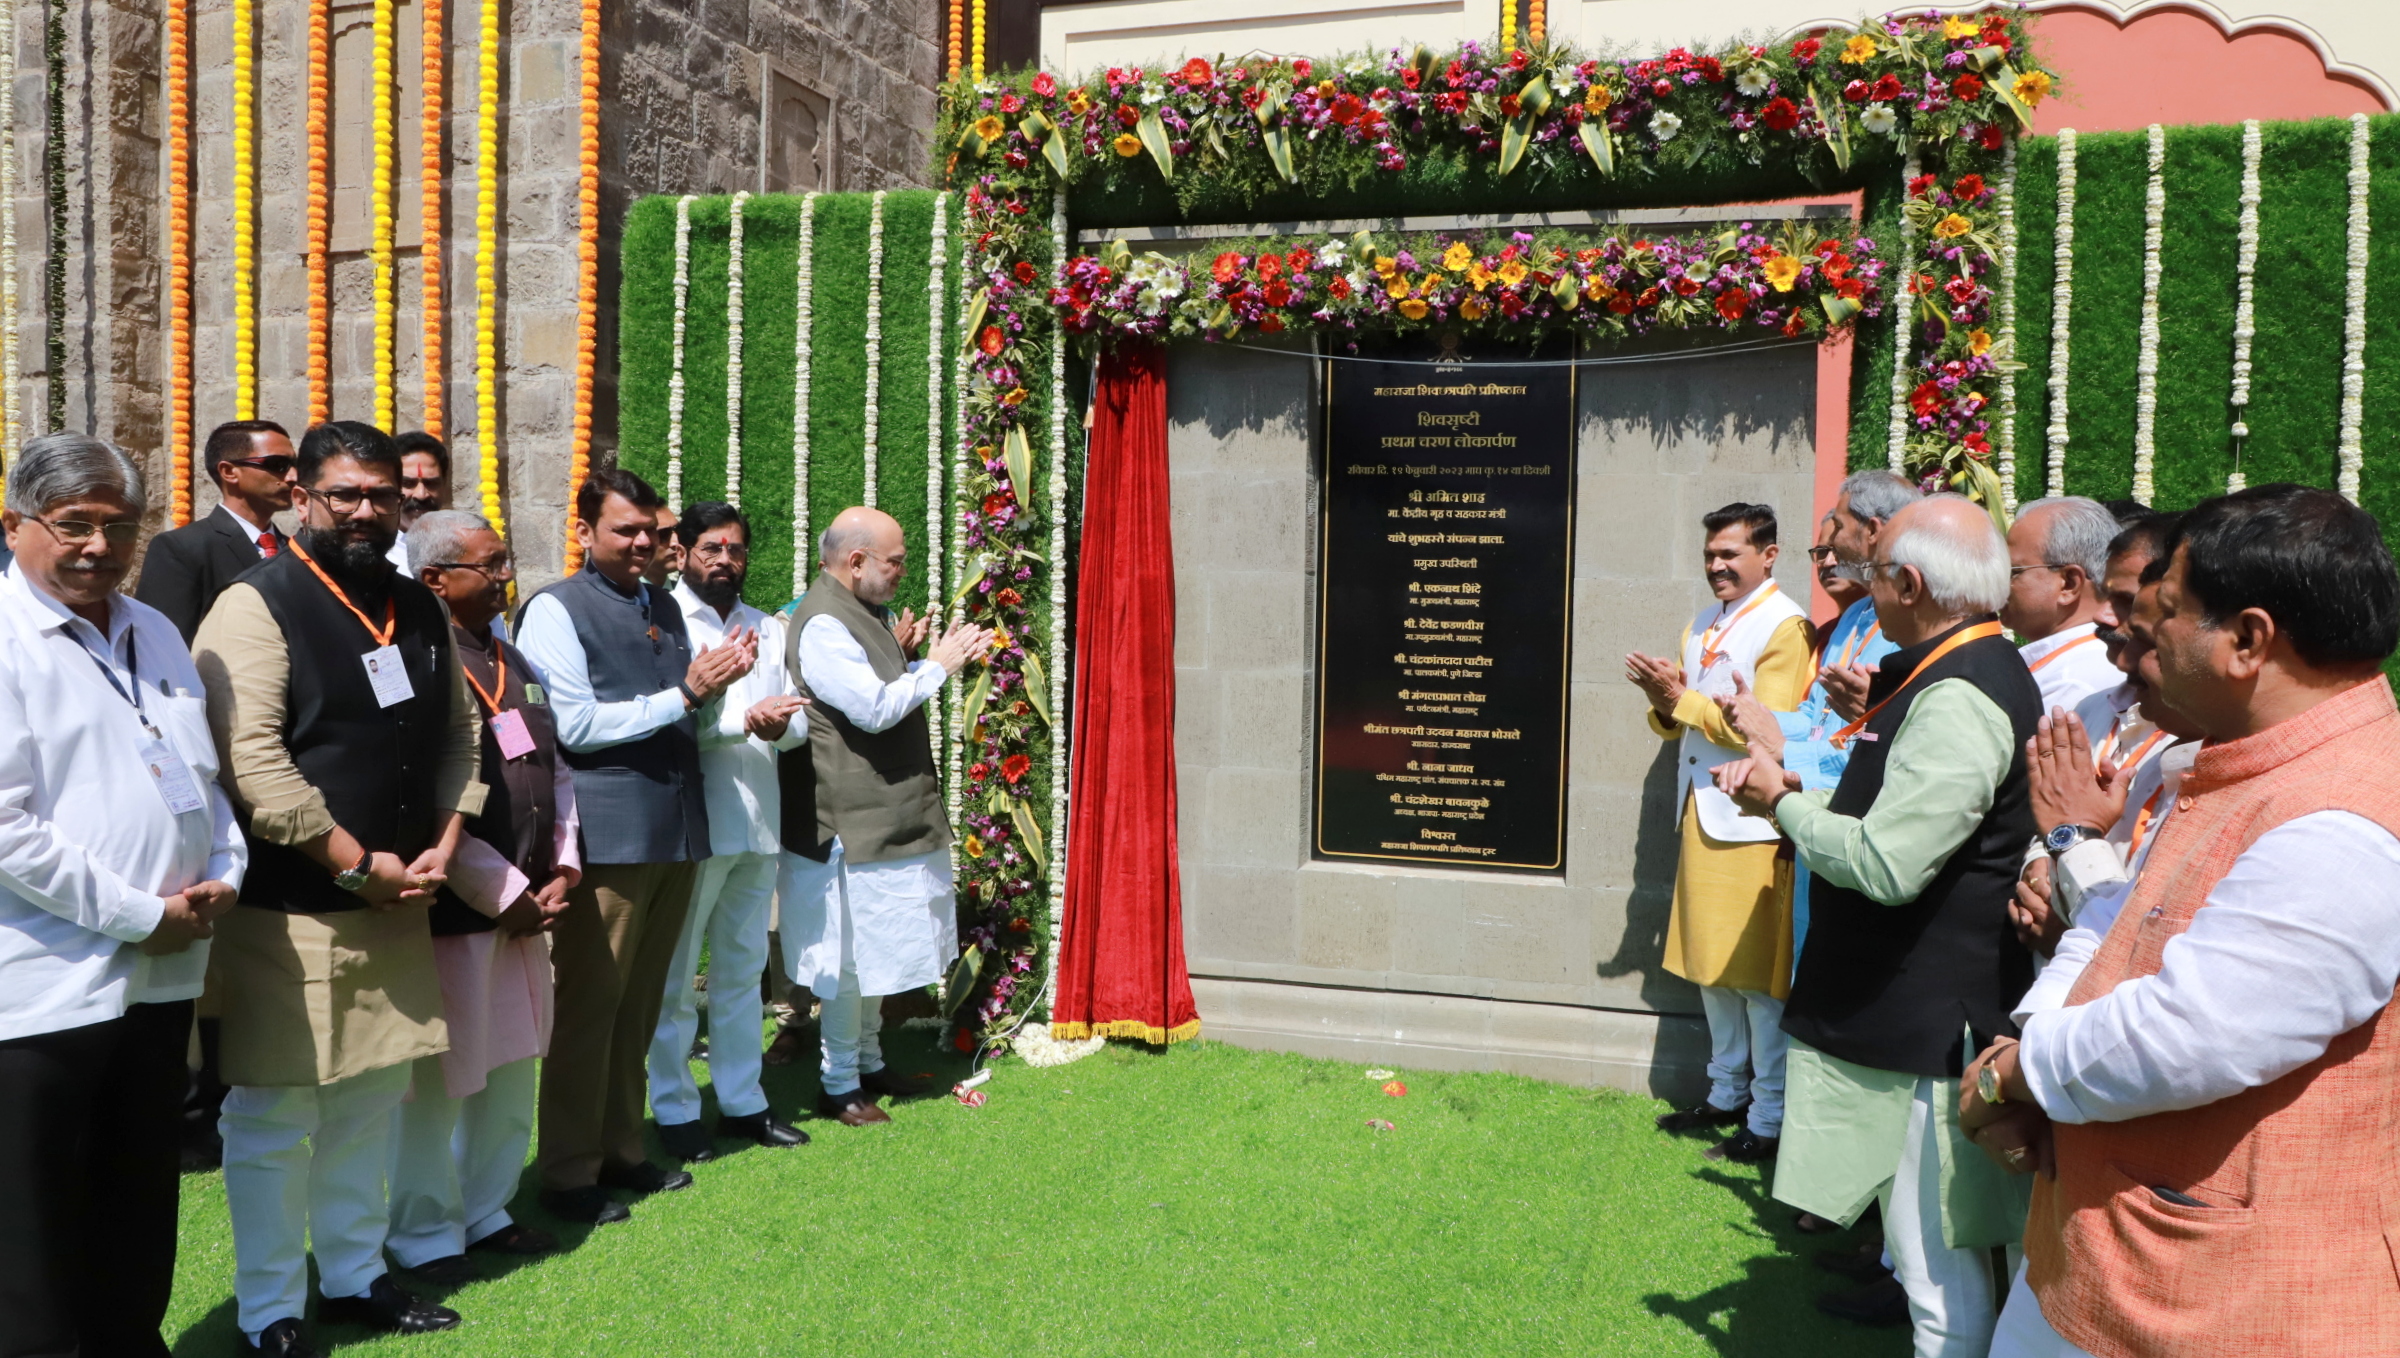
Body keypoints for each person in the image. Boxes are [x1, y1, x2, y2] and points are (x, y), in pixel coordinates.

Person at [1964, 485, 2400, 1358]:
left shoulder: (2346, 824)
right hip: (2110, 1263)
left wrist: (2012, 1076)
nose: (2134, 640)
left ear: (2246, 640)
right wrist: (2034, 1048)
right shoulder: (2221, 762)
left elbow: (2191, 1034)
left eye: (2160, 615)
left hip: (2216, 1304)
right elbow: (2117, 921)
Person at [1717, 494, 2043, 1358]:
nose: (1861, 590)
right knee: (1933, 1257)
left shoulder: (1962, 694)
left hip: (1926, 1025)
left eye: (1870, 574)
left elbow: (1889, 866)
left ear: (1908, 582)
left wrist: (1780, 800)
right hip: (1914, 1014)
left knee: (1937, 1272)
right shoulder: (1952, 670)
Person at [192, 421, 483, 1354]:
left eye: (383, 495)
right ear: (302, 498)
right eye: (345, 494)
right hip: (295, 904)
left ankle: (354, 1276)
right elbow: (255, 764)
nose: (365, 511)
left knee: (370, 1100)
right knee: (277, 1116)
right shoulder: (255, 604)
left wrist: (444, 843)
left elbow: (457, 741)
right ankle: (269, 1308)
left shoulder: (415, 603)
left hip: (401, 896)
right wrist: (355, 862)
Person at [0, 434, 244, 1358]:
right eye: (74, 526)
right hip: (41, 985)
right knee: (33, 1225)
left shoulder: (156, 629)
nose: (99, 546)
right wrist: (141, 914)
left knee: (137, 1201)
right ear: (16, 525)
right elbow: (4, 825)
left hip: (164, 971)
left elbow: (203, 780)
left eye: (119, 526)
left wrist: (226, 873)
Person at [514, 468, 753, 1223]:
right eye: (626, 531)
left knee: (643, 1004)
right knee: (592, 1006)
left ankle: (622, 1150)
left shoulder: (662, 604)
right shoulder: (555, 608)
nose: (643, 543)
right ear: (583, 532)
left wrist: (727, 710)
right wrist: (686, 694)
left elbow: (686, 720)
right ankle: (568, 1172)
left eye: (653, 532)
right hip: (608, 836)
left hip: (677, 828)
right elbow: (574, 726)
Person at [383, 511, 573, 1286]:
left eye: (504, 562)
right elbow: (427, 803)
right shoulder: (419, 663)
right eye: (490, 565)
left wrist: (564, 864)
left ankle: (487, 1208)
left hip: (530, 905)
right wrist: (503, 891)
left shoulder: (512, 656)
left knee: (511, 1064)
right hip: (460, 912)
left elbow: (555, 769)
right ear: (436, 580)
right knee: (443, 1078)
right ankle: (425, 1232)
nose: (505, 576)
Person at [779, 507, 989, 1127]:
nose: (901, 571)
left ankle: (868, 1064)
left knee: (880, 954)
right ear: (856, 562)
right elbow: (872, 709)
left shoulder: (867, 614)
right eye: (894, 561)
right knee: (849, 963)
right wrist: (940, 666)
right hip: (851, 824)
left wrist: (906, 656)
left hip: (887, 815)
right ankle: (838, 1083)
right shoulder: (820, 624)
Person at [1624, 503, 1810, 1163]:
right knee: (1712, 970)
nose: (1717, 567)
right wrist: (1663, 703)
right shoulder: (1701, 622)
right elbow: (1680, 720)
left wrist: (1684, 703)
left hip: (1755, 822)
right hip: (1702, 810)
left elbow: (1775, 730)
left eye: (1730, 554)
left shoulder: (1787, 626)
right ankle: (1726, 1094)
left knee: (1756, 979)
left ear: (1769, 555)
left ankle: (1769, 1115)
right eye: (1710, 556)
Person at [648, 501, 812, 1161]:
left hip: (757, 820)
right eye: (711, 547)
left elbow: (798, 721)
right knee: (678, 973)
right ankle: (676, 1110)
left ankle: (744, 1102)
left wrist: (779, 725)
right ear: (683, 552)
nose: (724, 559)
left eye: (735, 549)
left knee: (744, 972)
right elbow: (669, 722)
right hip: (694, 823)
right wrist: (741, 724)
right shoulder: (661, 622)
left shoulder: (765, 627)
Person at [2010, 515, 2189, 956]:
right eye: (2107, 595)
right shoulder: (2092, 707)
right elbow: (2052, 816)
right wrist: (2038, 869)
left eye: (2126, 601)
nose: (2105, 614)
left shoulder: (2196, 729)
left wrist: (2074, 931)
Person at [136, 419, 296, 643]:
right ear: (229, 472)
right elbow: (161, 644)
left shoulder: (295, 549)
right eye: (277, 465)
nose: (293, 476)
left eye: (296, 465)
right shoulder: (182, 549)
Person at [2000, 497, 2122, 712]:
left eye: (2013, 572)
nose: (2000, 584)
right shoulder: (2072, 667)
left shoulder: (2070, 684)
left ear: (2069, 583)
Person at [385, 431, 451, 571]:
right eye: (408, 483)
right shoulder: (375, 551)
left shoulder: (463, 546)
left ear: (444, 485)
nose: (421, 495)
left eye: (431, 483)